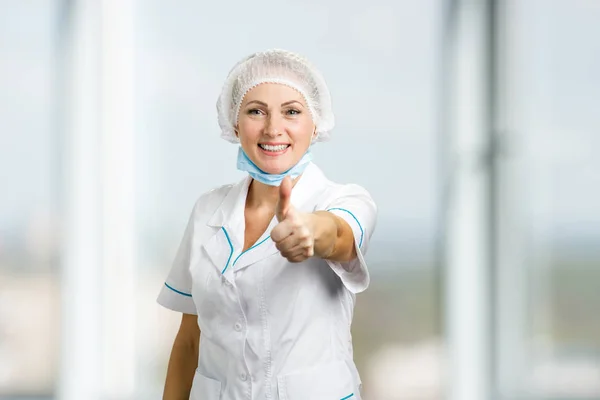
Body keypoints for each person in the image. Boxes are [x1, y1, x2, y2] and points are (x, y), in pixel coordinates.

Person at [157, 49, 377, 400]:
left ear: (316, 123)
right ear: (234, 122)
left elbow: (337, 235)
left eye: (292, 111)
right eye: (256, 111)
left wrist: (309, 232)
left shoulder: (345, 200)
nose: (273, 128)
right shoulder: (207, 211)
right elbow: (189, 340)